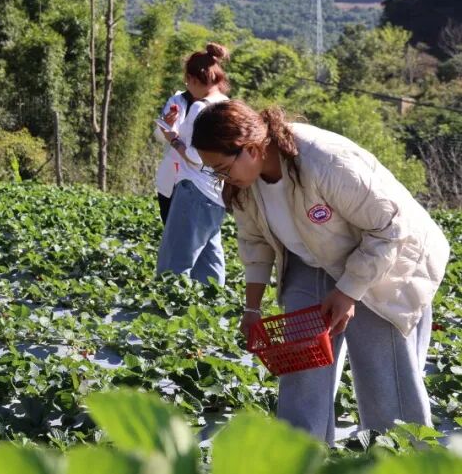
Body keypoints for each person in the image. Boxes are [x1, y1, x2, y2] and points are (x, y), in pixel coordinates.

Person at [191, 100, 450, 442]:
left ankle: (404, 454)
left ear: (250, 149)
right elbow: (255, 245)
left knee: (382, 369)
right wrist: (252, 309)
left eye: (223, 168)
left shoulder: (324, 161)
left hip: (388, 257)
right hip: (312, 256)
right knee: (301, 358)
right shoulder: (244, 186)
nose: (222, 178)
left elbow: (390, 227)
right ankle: (302, 452)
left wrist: (348, 291)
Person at [155, 43, 231, 285]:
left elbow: (194, 156)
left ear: (193, 79)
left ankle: (167, 304)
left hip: (193, 189)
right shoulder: (226, 105)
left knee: (173, 262)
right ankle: (214, 303)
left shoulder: (200, 107)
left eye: (188, 81)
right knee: (210, 259)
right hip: (216, 191)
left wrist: (173, 138)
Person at [152, 89, 196, 224]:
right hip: (170, 179)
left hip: (197, 182)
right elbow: (159, 137)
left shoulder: (215, 104)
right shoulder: (176, 100)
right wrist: (166, 124)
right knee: (169, 227)